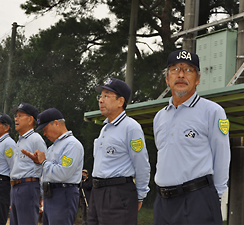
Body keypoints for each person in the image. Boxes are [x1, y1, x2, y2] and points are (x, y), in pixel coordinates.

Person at [153, 49, 231, 225]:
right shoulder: (159, 117)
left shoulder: (213, 111)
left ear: (198, 79)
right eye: (174, 69)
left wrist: (214, 198)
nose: (181, 75)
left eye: (188, 70)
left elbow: (222, 156)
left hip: (198, 201)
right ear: (167, 79)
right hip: (163, 204)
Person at [87, 78, 151, 225]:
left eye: (106, 96)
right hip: (97, 192)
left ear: (120, 101)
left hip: (118, 193)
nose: (101, 101)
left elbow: (142, 164)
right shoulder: (104, 129)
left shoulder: (131, 127)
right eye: (100, 96)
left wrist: (140, 195)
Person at [22, 107, 84, 225]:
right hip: (50, 194)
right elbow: (44, 174)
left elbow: (62, 174)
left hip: (63, 193)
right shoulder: (52, 147)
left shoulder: (72, 144)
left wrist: (44, 162)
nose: (44, 134)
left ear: (56, 123)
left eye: (45, 129)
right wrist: (37, 162)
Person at [9, 103, 47, 225]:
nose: (16, 119)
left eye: (20, 115)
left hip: (28, 187)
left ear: (30, 119)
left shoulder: (35, 139)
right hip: (16, 187)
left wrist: (41, 193)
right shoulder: (20, 141)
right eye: (15, 115)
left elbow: (43, 166)